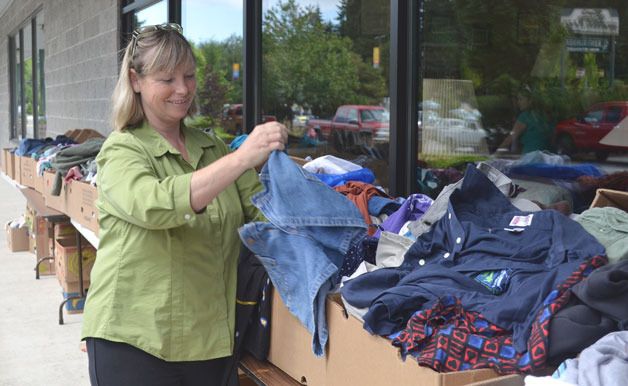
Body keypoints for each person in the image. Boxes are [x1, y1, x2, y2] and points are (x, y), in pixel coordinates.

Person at [80, 23, 288, 386]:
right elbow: (154, 205)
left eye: (189, 76)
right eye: (167, 79)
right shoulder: (121, 149)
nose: (183, 89)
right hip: (134, 340)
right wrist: (242, 158)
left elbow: (264, 214)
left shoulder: (214, 149)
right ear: (136, 80)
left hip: (208, 341)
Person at [497, 85, 551, 154]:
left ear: (530, 101)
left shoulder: (525, 116)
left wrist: (494, 155)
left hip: (531, 159)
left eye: (520, 99)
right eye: (517, 99)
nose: (518, 102)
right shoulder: (545, 115)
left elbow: (509, 139)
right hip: (546, 158)